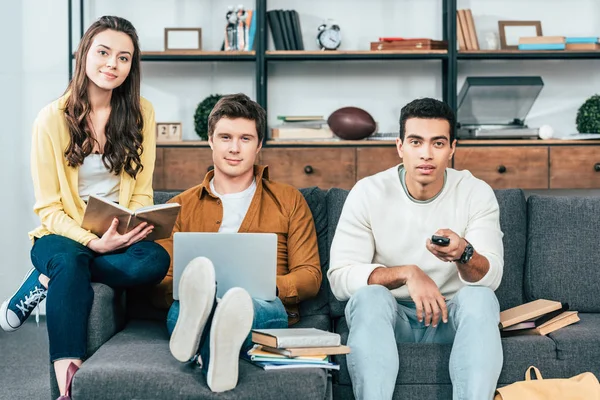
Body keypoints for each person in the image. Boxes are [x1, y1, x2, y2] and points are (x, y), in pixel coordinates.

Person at [0, 16, 170, 399]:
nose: (113, 64)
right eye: (104, 52)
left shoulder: (142, 112)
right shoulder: (51, 119)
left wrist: (131, 226)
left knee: (154, 261)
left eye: (124, 58)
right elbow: (48, 209)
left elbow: (143, 191)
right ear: (83, 55)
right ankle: (66, 381)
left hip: (114, 235)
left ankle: (44, 282)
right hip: (60, 235)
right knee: (69, 261)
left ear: (132, 66)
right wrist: (91, 244)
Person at [328, 97, 504, 400]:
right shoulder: (369, 192)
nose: (426, 154)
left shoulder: (475, 192)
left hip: (451, 318)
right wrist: (408, 274)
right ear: (400, 147)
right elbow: (340, 278)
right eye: (416, 142)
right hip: (392, 318)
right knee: (369, 297)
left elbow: (492, 277)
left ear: (452, 148)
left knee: (481, 298)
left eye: (437, 143)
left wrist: (463, 252)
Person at [153, 93, 322, 392]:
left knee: (249, 306)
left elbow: (310, 276)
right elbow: (163, 279)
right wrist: (191, 289)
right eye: (225, 137)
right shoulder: (181, 206)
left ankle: (204, 345)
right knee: (186, 308)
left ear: (259, 146)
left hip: (263, 306)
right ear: (210, 141)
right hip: (194, 305)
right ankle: (218, 346)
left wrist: (268, 287)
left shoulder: (288, 200)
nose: (234, 148)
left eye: (245, 138)